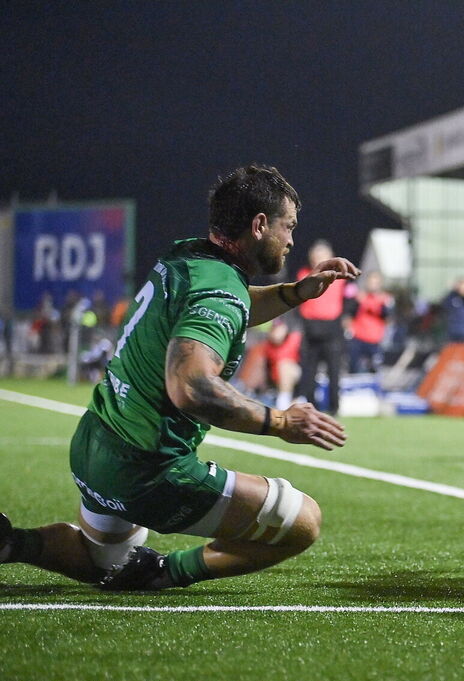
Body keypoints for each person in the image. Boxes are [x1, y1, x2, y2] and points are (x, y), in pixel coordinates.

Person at [0, 164, 360, 590]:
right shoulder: (220, 290)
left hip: (96, 441)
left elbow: (238, 304)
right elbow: (191, 386)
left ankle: (10, 544)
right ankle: (165, 572)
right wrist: (281, 422)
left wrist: (298, 291)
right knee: (301, 521)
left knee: (104, 561)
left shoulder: (188, 255)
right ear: (260, 225)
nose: (292, 240)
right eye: (289, 226)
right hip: (147, 467)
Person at [295, 239, 349, 415]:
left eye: (322, 255)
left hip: (332, 328)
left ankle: (334, 407)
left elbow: (349, 301)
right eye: (316, 255)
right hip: (311, 328)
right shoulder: (304, 274)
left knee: (334, 371)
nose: (318, 259)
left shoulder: (338, 277)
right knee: (309, 370)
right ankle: (312, 407)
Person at [347, 271, 394, 373]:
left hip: (375, 340)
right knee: (353, 368)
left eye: (376, 283)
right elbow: (349, 315)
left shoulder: (385, 300)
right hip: (358, 338)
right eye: (371, 282)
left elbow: (389, 319)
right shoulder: (359, 298)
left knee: (374, 369)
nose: (373, 285)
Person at [263, 318, 303, 410]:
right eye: (275, 329)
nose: (277, 332)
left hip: (295, 375)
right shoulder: (267, 346)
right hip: (275, 379)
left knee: (284, 365)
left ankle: (284, 401)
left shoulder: (294, 339)